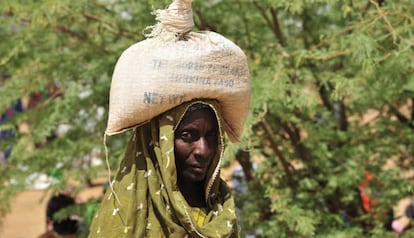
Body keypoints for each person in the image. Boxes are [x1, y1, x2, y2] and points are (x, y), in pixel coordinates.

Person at [89, 99, 238, 237]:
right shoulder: (126, 212)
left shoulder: (221, 206)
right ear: (157, 142)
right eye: (187, 136)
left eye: (211, 136)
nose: (203, 150)